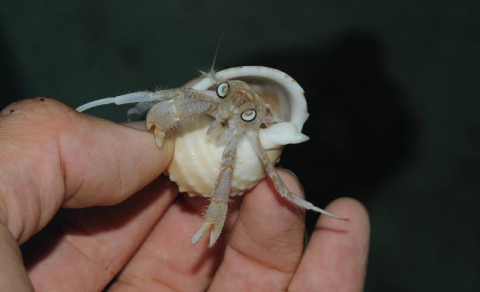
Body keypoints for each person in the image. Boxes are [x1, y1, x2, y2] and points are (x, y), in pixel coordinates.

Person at [0, 97, 370, 291]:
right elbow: (189, 94)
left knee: (263, 184)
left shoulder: (250, 139)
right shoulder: (220, 102)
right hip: (212, 120)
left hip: (241, 141)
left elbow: (259, 169)